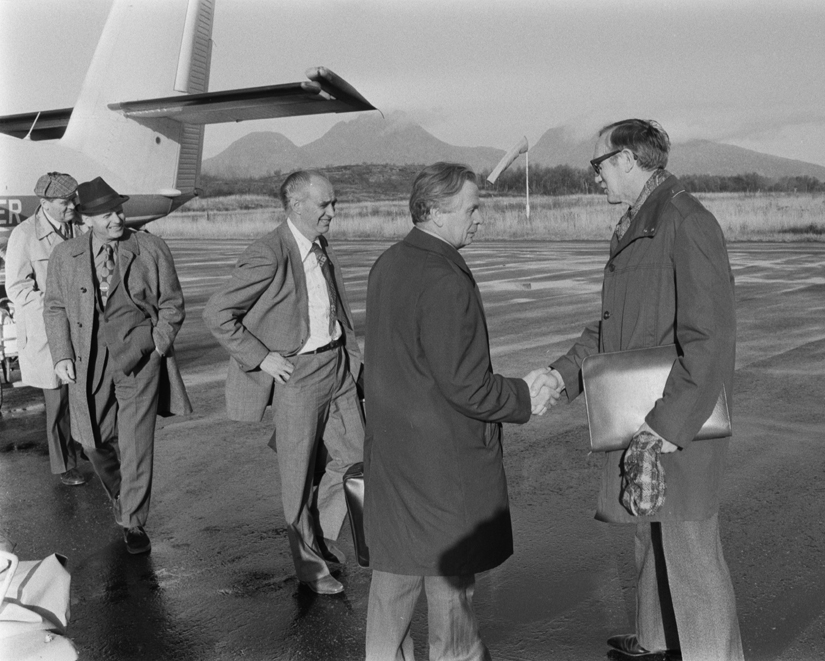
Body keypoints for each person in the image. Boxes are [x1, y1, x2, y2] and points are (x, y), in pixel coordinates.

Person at [530, 119, 744, 661]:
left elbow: (709, 339)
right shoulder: (640, 223)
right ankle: (653, 641)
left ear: (626, 159)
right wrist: (563, 374)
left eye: (597, 164)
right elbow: (612, 331)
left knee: (691, 558)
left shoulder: (684, 221)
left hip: (676, 424)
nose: (594, 176)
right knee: (650, 535)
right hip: (644, 416)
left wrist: (667, 428)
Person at [363, 162, 556, 661]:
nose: (480, 219)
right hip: (440, 466)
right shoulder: (444, 278)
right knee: (450, 588)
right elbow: (467, 386)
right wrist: (525, 398)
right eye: (472, 208)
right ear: (433, 211)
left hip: (394, 456)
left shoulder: (389, 262)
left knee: (393, 583)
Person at [203, 170, 365, 596]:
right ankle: (311, 567)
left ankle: (320, 535)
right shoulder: (269, 252)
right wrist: (262, 357)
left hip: (337, 366)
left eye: (333, 203)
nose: (333, 211)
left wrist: (350, 355)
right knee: (295, 478)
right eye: (325, 204)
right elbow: (217, 313)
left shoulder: (319, 246)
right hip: (298, 376)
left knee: (355, 458)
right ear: (297, 206)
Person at [44, 176, 190, 554]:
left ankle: (133, 522)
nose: (117, 219)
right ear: (87, 219)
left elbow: (172, 304)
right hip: (87, 361)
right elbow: (55, 307)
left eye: (119, 210)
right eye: (106, 214)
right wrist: (61, 355)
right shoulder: (66, 256)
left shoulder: (150, 248)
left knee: (137, 444)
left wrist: (157, 344)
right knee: (91, 441)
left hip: (140, 359)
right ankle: (123, 496)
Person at [4, 173, 86, 486]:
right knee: (58, 399)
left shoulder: (78, 226)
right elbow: (18, 289)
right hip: (46, 330)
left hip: (82, 324)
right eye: (65, 202)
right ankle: (64, 465)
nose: (72, 207)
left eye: (73, 200)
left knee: (86, 391)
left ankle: (88, 444)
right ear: (45, 204)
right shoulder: (24, 236)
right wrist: (57, 302)